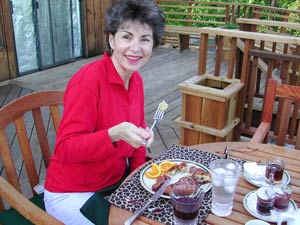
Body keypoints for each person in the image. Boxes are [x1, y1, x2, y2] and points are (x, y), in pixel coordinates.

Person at [43, 0, 165, 224]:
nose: (135, 48)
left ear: (153, 46)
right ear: (111, 39)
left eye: (145, 39)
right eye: (126, 36)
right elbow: (65, 149)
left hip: (115, 184)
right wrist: (113, 134)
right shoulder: (88, 81)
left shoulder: (135, 80)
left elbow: (137, 140)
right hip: (72, 193)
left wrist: (137, 184)